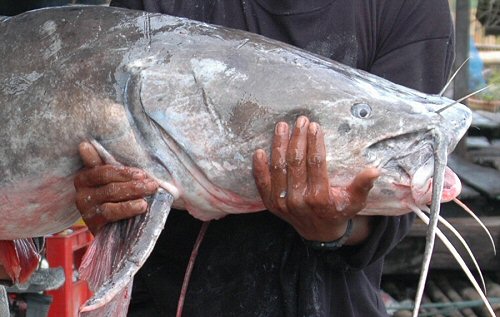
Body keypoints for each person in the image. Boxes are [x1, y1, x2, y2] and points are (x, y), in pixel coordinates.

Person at [74, 0, 455, 316]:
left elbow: (400, 189)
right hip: (164, 300)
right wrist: (103, 204)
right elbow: (90, 162)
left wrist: (333, 229)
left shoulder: (408, 8)